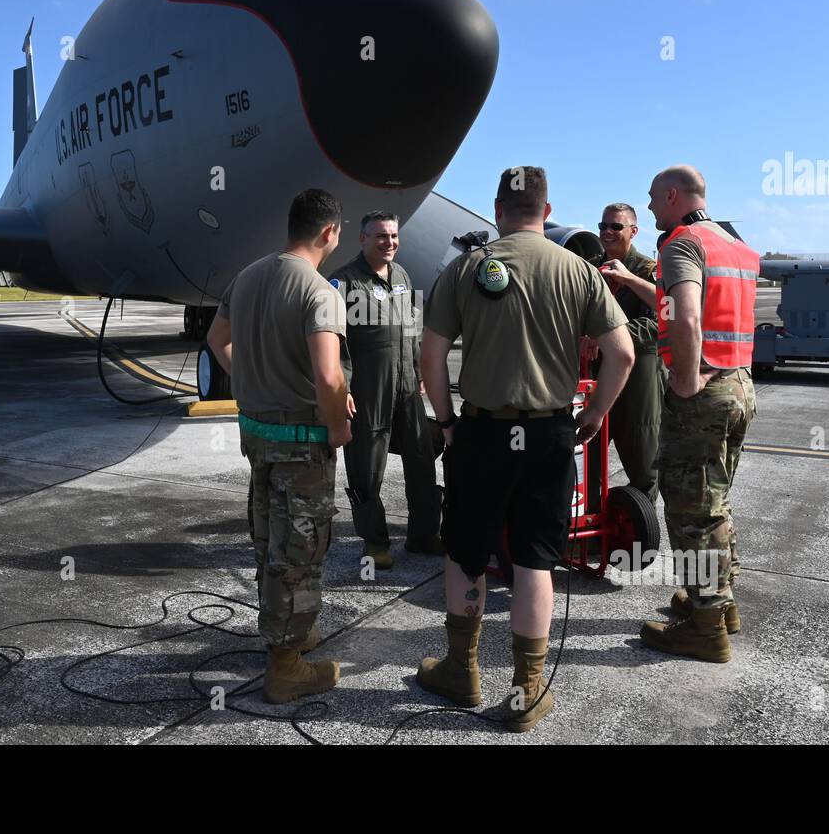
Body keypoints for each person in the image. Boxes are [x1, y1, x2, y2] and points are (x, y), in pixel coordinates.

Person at [416, 166, 635, 732]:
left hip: (483, 433)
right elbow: (624, 354)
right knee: (537, 559)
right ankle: (527, 689)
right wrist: (592, 415)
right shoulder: (579, 271)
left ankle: (462, 670)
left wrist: (446, 424)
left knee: (466, 551)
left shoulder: (466, 267)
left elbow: (431, 356)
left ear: (496, 208)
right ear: (547, 208)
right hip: (549, 434)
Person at [601, 165, 759, 663]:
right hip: (740, 384)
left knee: (691, 513)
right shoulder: (731, 244)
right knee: (716, 502)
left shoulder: (680, 244)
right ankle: (718, 601)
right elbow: (675, 303)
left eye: (652, 198)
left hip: (704, 391)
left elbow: (686, 316)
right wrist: (634, 282)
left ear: (672, 195)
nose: (648, 208)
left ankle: (705, 628)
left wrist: (686, 381)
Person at [206, 188, 352, 703]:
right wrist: (338, 429)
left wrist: (249, 376)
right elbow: (329, 376)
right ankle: (285, 667)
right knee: (300, 552)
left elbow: (216, 340)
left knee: (270, 542)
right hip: (302, 446)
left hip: (259, 439)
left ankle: (291, 632)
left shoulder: (247, 278)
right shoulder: (318, 291)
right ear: (329, 232)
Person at [330, 211, 443, 571]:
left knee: (422, 459)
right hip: (368, 389)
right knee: (367, 466)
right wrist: (342, 387)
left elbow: (413, 326)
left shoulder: (403, 276)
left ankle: (424, 535)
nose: (389, 242)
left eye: (393, 236)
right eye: (380, 236)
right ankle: (375, 541)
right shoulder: (342, 282)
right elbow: (331, 341)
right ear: (362, 239)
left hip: (407, 387)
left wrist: (418, 370)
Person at [587, 202, 662, 502]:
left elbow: (657, 324)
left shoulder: (648, 271)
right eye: (602, 226)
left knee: (643, 461)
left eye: (615, 227)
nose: (607, 232)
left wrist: (607, 339)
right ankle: (589, 531)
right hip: (594, 376)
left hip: (638, 381)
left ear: (633, 231)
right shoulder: (590, 268)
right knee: (586, 458)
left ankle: (639, 540)